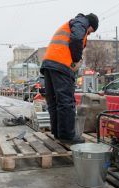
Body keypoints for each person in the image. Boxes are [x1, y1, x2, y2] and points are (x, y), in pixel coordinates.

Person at [40, 13, 99, 144]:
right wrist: (76, 59)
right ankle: (67, 136)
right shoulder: (81, 22)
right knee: (66, 101)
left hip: (49, 64)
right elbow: (77, 38)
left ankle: (58, 133)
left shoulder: (71, 24)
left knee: (54, 101)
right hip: (61, 64)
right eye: (90, 32)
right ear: (90, 25)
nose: (88, 34)